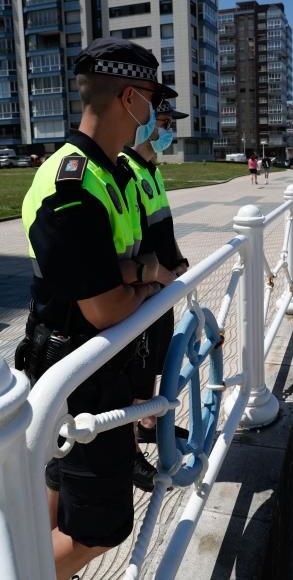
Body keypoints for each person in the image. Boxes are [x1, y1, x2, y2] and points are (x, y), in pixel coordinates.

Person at [16, 38, 176, 580]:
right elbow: (107, 308)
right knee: (99, 530)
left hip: (91, 371)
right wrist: (144, 284)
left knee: (56, 493)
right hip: (78, 375)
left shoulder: (110, 171)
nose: (157, 111)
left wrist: (141, 276)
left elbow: (131, 268)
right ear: (130, 97)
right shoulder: (73, 183)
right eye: (153, 96)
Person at [122, 99, 190, 490]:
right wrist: (159, 274)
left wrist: (177, 262)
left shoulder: (151, 170)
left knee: (152, 366)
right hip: (146, 291)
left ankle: (148, 425)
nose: (169, 131)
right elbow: (136, 241)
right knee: (135, 372)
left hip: (162, 287)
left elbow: (162, 227)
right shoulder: (128, 171)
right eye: (163, 123)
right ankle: (130, 449)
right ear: (144, 125)